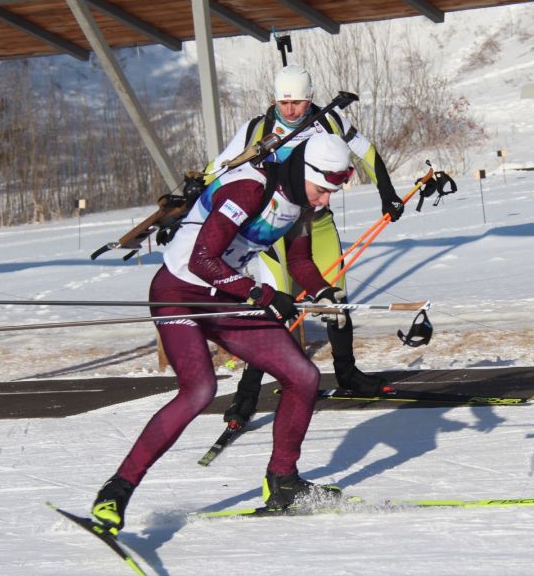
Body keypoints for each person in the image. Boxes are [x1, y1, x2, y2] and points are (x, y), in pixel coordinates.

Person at [91, 133, 355, 533]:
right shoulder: (249, 189)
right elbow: (202, 259)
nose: (324, 200)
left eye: (331, 192)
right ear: (304, 171)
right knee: (199, 390)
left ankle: (283, 482)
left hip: (226, 295)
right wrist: (261, 293)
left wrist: (324, 292)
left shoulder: (302, 203)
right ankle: (116, 491)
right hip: (179, 292)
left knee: (303, 376)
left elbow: (300, 261)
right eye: (322, 189)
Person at [207, 64, 405, 427]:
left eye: (296, 103)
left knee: (335, 299)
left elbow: (367, 152)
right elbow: (219, 167)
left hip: (318, 222)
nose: (289, 110)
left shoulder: (329, 120)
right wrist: (196, 191)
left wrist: (387, 193)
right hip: (276, 225)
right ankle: (245, 397)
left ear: (310, 98)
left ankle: (348, 375)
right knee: (273, 306)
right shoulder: (257, 128)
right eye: (282, 103)